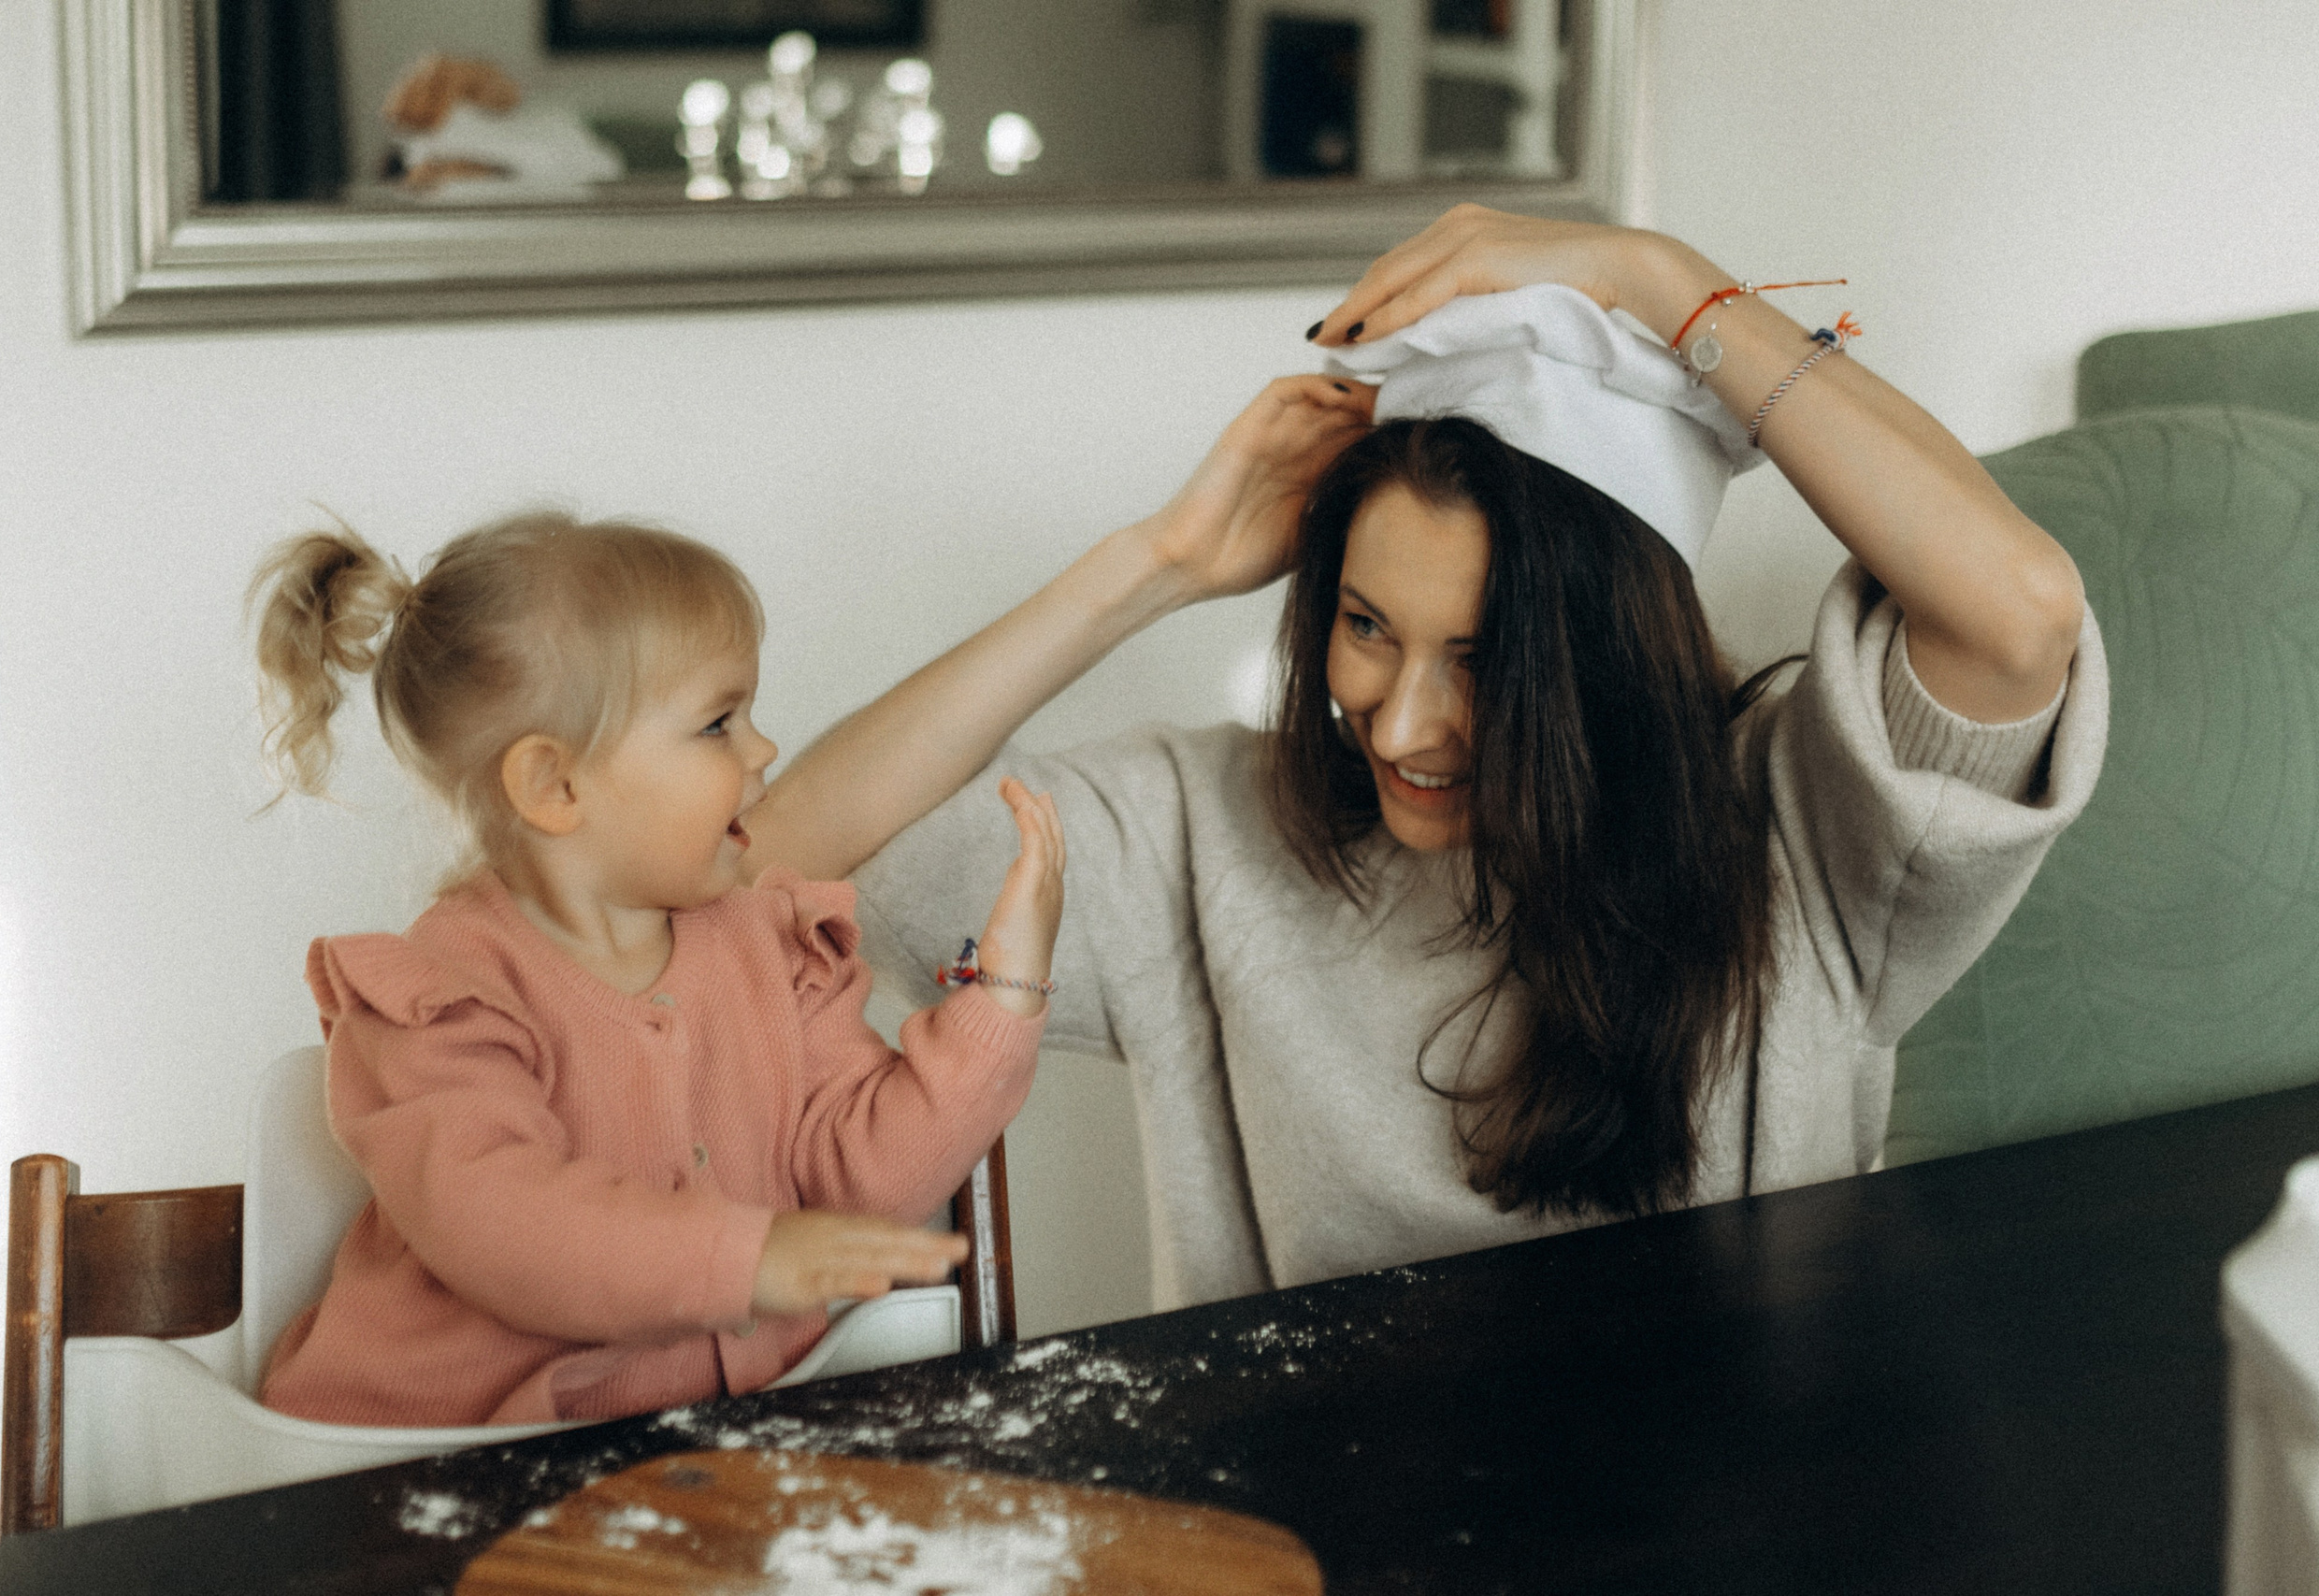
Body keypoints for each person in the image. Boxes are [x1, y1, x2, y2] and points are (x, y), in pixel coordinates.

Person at [738, 207, 2108, 1310]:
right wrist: (1149, 566)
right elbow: (786, 860)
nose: (1398, 724)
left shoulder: (1801, 828)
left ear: (1608, 664)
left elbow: (2019, 611)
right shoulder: (1208, 833)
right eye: (1365, 627)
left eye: (1485, 660)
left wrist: (1653, 272)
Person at [247, 511, 1064, 1426]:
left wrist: (1005, 994)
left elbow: (859, 1178)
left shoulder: (773, 950)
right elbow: (501, 1221)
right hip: (417, 1464)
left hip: (691, 1458)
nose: (763, 752)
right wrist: (745, 1261)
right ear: (556, 787)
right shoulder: (440, 996)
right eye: (719, 722)